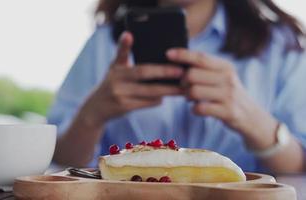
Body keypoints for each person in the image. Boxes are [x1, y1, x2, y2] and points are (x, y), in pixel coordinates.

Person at [48, 0, 306, 173]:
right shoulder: (104, 42)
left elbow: (298, 166)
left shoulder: (281, 46)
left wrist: (256, 123)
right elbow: (61, 161)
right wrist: (90, 117)